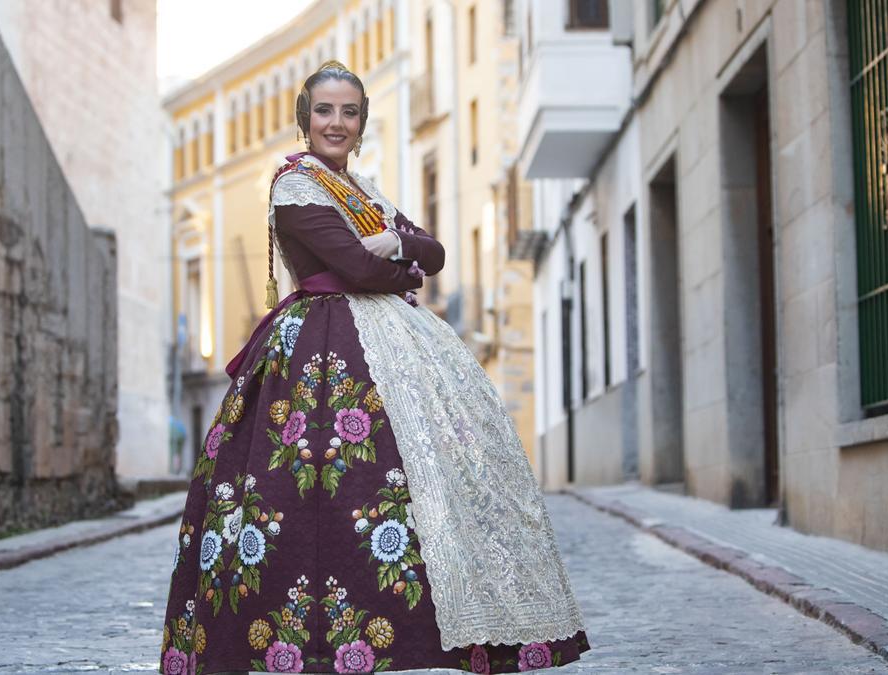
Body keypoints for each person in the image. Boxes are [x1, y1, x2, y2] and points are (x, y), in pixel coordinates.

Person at [160, 61, 590, 675]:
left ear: (362, 123)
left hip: (393, 346)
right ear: (304, 119)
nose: (337, 123)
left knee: (401, 490)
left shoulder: (366, 192)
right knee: (317, 489)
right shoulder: (295, 186)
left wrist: (399, 247)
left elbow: (434, 251)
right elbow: (356, 270)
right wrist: (402, 264)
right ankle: (301, 642)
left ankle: (424, 632)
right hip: (319, 349)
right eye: (325, 111)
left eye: (350, 112)